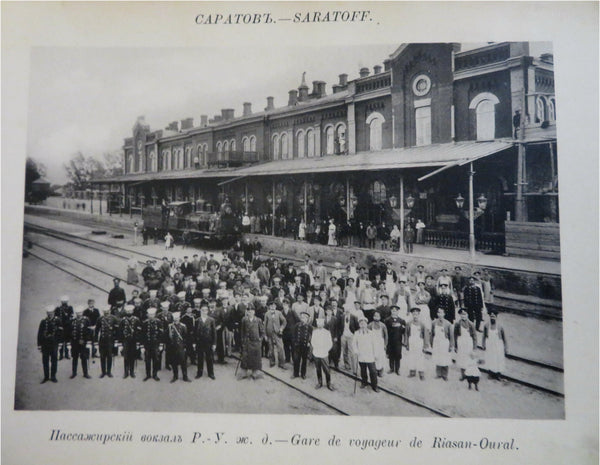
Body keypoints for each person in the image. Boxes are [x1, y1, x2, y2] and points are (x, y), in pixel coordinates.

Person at [352, 316, 379, 392]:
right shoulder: (356, 333)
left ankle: (375, 385)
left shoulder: (371, 333)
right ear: (359, 325)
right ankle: (364, 382)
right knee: (363, 370)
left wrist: (376, 354)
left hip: (370, 355)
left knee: (373, 371)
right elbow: (354, 344)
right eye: (361, 323)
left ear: (366, 324)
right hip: (361, 355)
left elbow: (375, 344)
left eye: (364, 323)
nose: (362, 325)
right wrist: (356, 351)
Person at [37, 305, 62, 383]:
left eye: (51, 312)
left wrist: (60, 343)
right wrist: (39, 345)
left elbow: (61, 333)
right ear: (46, 313)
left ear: (54, 312)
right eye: (48, 313)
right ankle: (46, 377)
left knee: (54, 360)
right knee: (45, 361)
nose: (50, 314)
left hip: (54, 344)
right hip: (45, 345)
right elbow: (40, 334)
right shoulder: (43, 321)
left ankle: (53, 376)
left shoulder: (58, 321)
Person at [240, 307, 265, 380]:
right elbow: (242, 331)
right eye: (249, 311)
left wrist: (260, 339)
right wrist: (242, 340)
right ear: (247, 312)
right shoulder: (244, 320)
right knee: (245, 357)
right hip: (247, 342)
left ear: (254, 312)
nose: (250, 312)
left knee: (255, 358)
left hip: (255, 342)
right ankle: (244, 372)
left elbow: (262, 332)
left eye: (252, 311)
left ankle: (255, 372)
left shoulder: (258, 320)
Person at [405, 307, 429, 380]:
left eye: (416, 314)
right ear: (412, 315)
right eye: (413, 314)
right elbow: (406, 334)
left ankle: (421, 374)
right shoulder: (409, 323)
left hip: (419, 342)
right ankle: (412, 372)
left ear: (419, 315)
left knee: (420, 358)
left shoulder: (422, 324)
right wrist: (407, 344)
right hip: (411, 341)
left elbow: (425, 335)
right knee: (411, 357)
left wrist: (425, 345)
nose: (415, 316)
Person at [482, 310, 507, 379]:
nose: (492, 318)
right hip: (490, 344)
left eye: (494, 316)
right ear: (489, 317)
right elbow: (484, 336)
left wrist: (505, 347)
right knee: (490, 358)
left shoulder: (500, 326)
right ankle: (490, 373)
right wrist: (483, 344)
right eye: (491, 316)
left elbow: (504, 338)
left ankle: (498, 374)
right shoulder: (486, 325)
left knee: (498, 359)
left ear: (496, 317)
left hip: (498, 344)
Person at [430, 308, 454, 381]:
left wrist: (451, 346)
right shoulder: (434, 323)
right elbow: (432, 334)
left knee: (445, 358)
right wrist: (431, 343)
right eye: (438, 313)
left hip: (444, 343)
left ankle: (445, 375)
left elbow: (451, 336)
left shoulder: (448, 324)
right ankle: (438, 374)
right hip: (437, 342)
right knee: (437, 358)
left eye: (441, 313)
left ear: (444, 314)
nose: (440, 314)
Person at [168, 312, 192, 383]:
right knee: (174, 363)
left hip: (181, 347)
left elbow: (186, 337)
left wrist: (185, 347)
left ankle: (185, 376)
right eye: (175, 318)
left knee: (183, 362)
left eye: (177, 318)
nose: (176, 320)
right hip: (173, 347)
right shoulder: (170, 326)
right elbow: (168, 337)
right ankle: (175, 376)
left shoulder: (183, 326)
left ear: (179, 318)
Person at [454, 309, 477, 381]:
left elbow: (474, 336)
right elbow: (455, 334)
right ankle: (463, 375)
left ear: (467, 315)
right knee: (462, 359)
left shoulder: (471, 324)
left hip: (468, 343)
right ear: (460, 315)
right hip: (461, 343)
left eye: (465, 314)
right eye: (462, 314)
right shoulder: (457, 324)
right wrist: (456, 346)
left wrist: (474, 347)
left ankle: (469, 374)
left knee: (469, 359)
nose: (463, 316)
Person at [311, 318, 334, 390]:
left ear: (323, 324)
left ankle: (329, 383)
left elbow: (330, 343)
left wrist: (325, 349)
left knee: (327, 369)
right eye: (318, 324)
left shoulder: (327, 332)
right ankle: (319, 382)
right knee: (318, 369)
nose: (319, 325)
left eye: (321, 324)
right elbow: (312, 341)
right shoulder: (314, 332)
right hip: (316, 353)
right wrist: (316, 348)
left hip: (324, 353)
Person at [95, 306, 118, 378]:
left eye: (107, 311)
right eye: (105, 311)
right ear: (103, 312)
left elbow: (117, 330)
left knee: (109, 356)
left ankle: (109, 372)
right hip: (102, 340)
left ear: (110, 310)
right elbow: (97, 330)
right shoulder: (100, 319)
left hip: (110, 340)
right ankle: (103, 372)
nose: (106, 312)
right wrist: (95, 340)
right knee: (102, 356)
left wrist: (116, 340)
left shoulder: (114, 318)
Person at [195, 304, 216, 380]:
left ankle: (211, 373)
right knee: (200, 358)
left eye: (205, 310)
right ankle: (199, 373)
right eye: (202, 310)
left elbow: (214, 333)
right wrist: (194, 343)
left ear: (208, 311)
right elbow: (195, 332)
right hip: (200, 342)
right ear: (200, 311)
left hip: (209, 342)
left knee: (209, 358)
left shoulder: (211, 320)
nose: (204, 312)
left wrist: (214, 344)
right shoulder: (197, 320)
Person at [119, 304, 141, 379]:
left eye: (130, 310)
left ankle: (132, 372)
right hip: (125, 341)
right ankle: (126, 372)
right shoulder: (123, 320)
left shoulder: (136, 320)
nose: (129, 312)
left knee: (132, 356)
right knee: (126, 357)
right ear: (125, 311)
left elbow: (138, 332)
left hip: (133, 341)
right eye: (127, 311)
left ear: (132, 311)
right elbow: (120, 332)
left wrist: (138, 343)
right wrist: (120, 343)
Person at [70, 306, 92, 379]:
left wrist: (88, 342)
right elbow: (70, 332)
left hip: (83, 343)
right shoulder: (73, 321)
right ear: (76, 313)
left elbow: (89, 331)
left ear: (82, 313)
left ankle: (85, 373)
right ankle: (74, 373)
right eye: (77, 313)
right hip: (75, 343)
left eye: (80, 312)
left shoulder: (86, 320)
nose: (79, 314)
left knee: (84, 358)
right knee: (75, 358)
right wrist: (70, 342)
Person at [264, 301, 287, 369]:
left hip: (277, 333)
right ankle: (272, 362)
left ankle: (281, 363)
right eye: (271, 306)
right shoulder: (267, 314)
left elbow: (284, 321)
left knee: (280, 348)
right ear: (269, 307)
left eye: (274, 306)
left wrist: (281, 329)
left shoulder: (279, 313)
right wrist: (265, 335)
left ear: (275, 307)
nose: (272, 307)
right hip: (269, 333)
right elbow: (265, 324)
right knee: (270, 348)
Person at [142, 307, 163, 381]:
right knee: (147, 360)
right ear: (147, 315)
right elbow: (143, 335)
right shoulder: (145, 323)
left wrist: (160, 345)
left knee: (155, 360)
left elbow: (161, 334)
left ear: (155, 315)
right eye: (150, 315)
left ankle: (155, 375)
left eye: (152, 315)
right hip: (147, 344)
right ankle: (148, 375)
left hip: (155, 344)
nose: (151, 316)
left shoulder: (158, 322)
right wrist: (142, 346)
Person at [384, 305, 405, 375]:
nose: (394, 312)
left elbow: (403, 331)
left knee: (398, 355)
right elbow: (385, 331)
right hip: (390, 341)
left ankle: (397, 369)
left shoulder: (401, 320)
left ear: (398, 311)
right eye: (393, 311)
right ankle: (391, 368)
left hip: (398, 341)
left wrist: (400, 327)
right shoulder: (387, 320)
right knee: (391, 355)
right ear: (391, 311)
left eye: (395, 311)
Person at [292, 312, 313, 379]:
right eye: (302, 317)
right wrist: (294, 342)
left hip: (305, 346)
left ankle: (303, 374)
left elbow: (311, 336)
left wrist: (309, 342)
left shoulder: (310, 327)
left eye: (305, 318)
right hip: (297, 345)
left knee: (304, 360)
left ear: (307, 319)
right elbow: (293, 334)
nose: (303, 319)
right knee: (296, 359)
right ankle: (296, 373)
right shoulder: (297, 325)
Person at [368, 310, 388, 377]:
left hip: (380, 344)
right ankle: (375, 371)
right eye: (375, 316)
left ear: (380, 317)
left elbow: (386, 336)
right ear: (373, 316)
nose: (376, 317)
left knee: (381, 357)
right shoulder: (370, 325)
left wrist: (385, 344)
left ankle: (381, 370)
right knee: (374, 357)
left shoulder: (383, 325)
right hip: (373, 344)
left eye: (378, 316)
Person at [55, 296, 73, 360]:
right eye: (63, 301)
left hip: (68, 327)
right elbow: (56, 318)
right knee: (61, 341)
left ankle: (67, 354)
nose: (64, 302)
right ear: (61, 302)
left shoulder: (70, 308)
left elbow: (71, 317)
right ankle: (61, 355)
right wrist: (59, 326)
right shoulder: (58, 309)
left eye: (65, 301)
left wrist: (68, 324)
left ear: (67, 301)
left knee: (68, 341)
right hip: (61, 327)